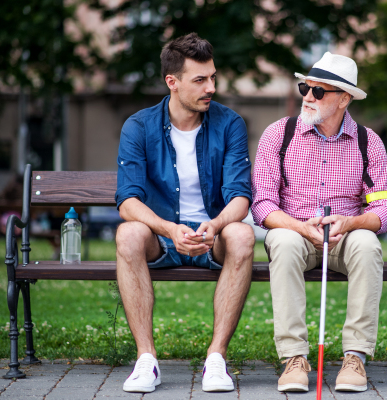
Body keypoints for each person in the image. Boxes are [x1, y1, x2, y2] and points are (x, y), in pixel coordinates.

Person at [114, 33, 255, 393]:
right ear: (172, 82)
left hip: (214, 235)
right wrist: (168, 228)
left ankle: (216, 360)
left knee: (241, 234)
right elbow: (127, 201)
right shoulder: (139, 126)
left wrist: (217, 224)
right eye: (200, 80)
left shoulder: (230, 124)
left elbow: (240, 197)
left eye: (213, 77)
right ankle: (146, 360)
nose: (211, 87)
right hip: (162, 237)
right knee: (128, 233)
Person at [251, 52, 387, 393]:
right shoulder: (279, 134)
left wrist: (350, 222)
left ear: (344, 99)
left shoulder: (368, 142)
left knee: (367, 243)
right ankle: (293, 358)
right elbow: (263, 206)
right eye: (305, 87)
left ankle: (355, 356)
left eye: (319, 91)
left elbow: (385, 211)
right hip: (295, 232)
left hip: (344, 237)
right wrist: (301, 228)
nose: (307, 97)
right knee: (283, 243)